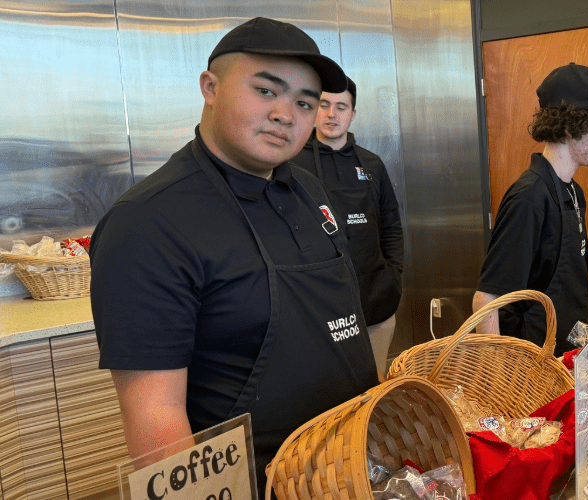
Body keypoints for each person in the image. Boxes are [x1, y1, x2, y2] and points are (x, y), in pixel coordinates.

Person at [91, 18, 378, 493]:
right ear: (210, 87)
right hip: (252, 484)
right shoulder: (148, 223)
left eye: (305, 103)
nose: (287, 114)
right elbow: (155, 417)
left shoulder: (307, 189)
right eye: (267, 91)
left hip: (350, 470)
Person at [473, 63, 588, 354]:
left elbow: (572, 299)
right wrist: (498, 375)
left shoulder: (573, 192)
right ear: (573, 126)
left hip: (573, 360)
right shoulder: (530, 198)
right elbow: (485, 299)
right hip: (535, 369)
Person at [290, 76, 405, 375]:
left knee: (375, 389)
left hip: (376, 304)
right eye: (324, 105)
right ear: (313, 109)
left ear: (352, 114)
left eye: (341, 107)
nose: (332, 114)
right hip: (319, 312)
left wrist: (394, 276)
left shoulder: (372, 164)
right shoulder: (291, 165)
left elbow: (391, 226)